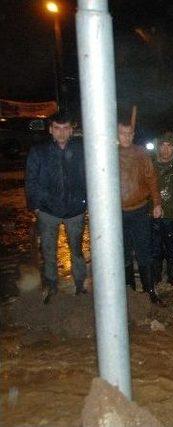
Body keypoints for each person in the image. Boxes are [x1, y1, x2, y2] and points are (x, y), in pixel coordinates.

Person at [25, 111, 88, 302]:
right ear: (51, 130)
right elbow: (31, 180)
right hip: (47, 211)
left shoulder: (81, 150)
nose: (61, 133)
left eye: (66, 128)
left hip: (75, 210)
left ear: (71, 130)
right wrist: (35, 205)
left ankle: (80, 285)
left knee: (76, 250)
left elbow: (90, 176)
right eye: (57, 128)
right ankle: (51, 286)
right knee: (48, 250)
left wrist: (86, 202)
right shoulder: (39, 151)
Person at [118, 118, 163, 304]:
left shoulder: (141, 153)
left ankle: (150, 290)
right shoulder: (109, 155)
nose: (126, 137)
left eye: (129, 133)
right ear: (116, 134)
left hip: (139, 211)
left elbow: (152, 179)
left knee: (144, 251)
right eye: (122, 133)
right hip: (118, 214)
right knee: (124, 252)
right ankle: (129, 290)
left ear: (133, 135)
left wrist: (157, 203)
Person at [151, 131, 173, 286]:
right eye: (162, 146)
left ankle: (172, 277)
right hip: (153, 214)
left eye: (169, 146)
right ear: (158, 147)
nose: (165, 149)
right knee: (155, 247)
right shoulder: (150, 164)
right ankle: (156, 276)